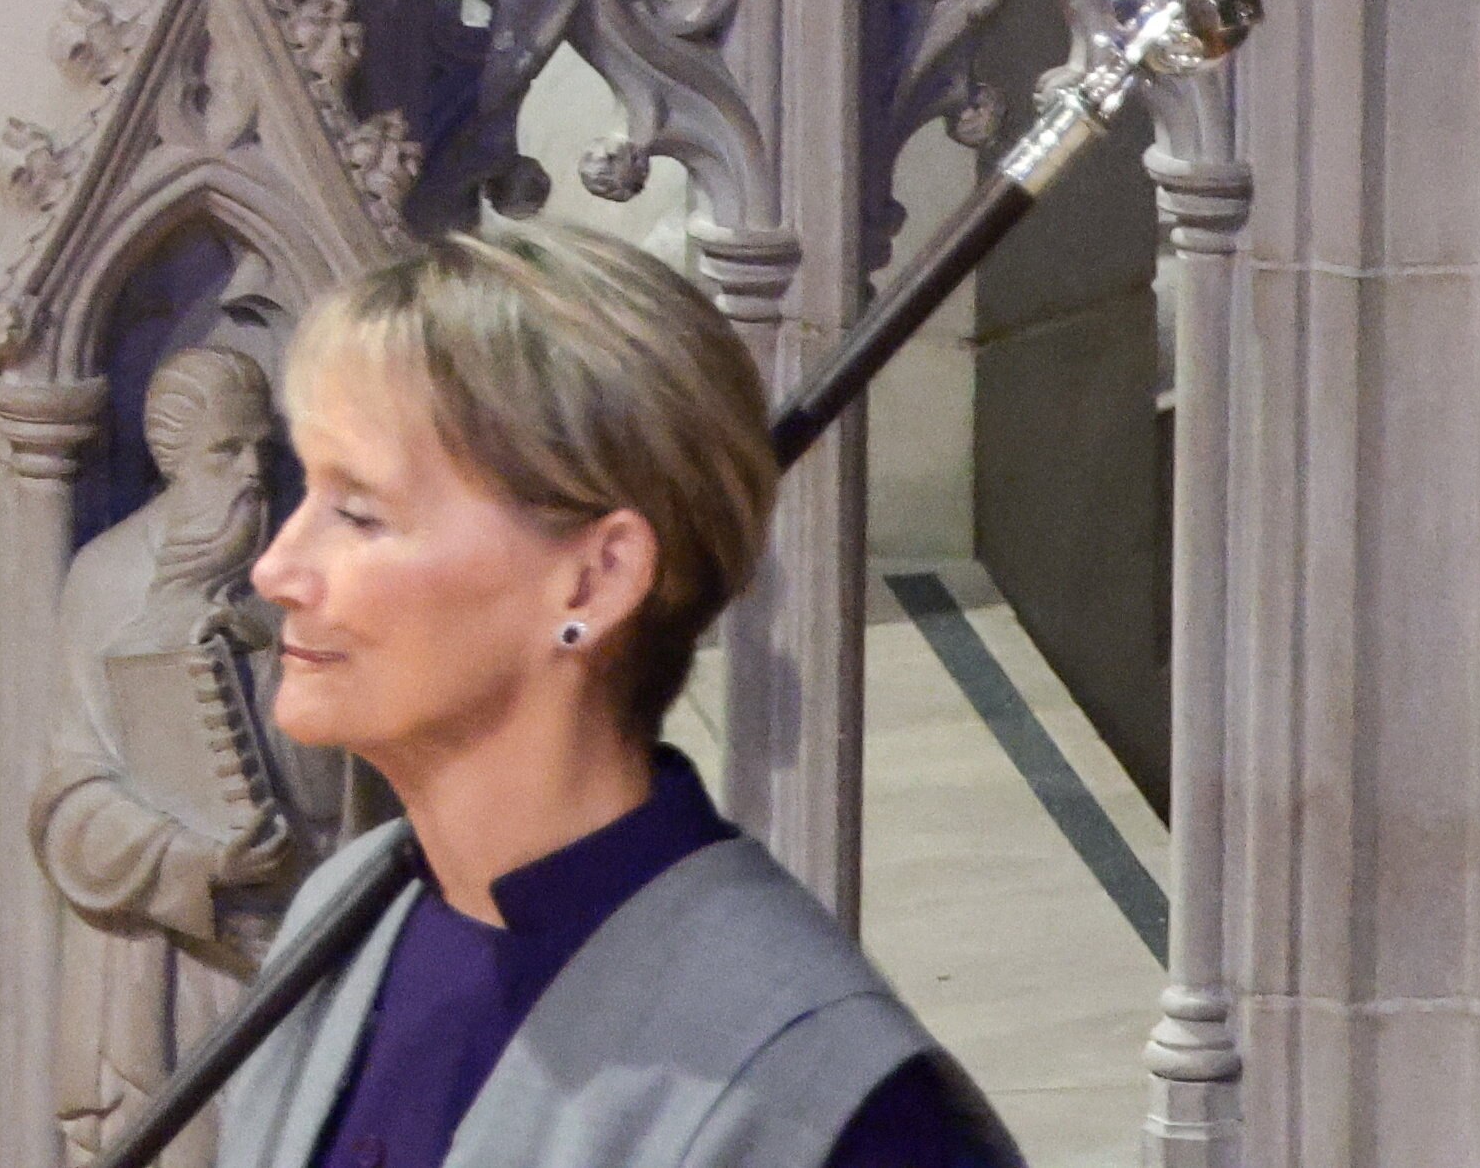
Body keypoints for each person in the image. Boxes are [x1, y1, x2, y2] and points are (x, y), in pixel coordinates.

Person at [217, 221, 1016, 1168]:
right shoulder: (347, 916)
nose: (277, 569)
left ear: (594, 582)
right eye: (303, 493)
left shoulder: (846, 1114)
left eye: (358, 513)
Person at [34, 342, 331, 1164]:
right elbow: (69, 796)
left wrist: (269, 647)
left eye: (261, 451)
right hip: (167, 957)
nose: (250, 475)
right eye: (224, 452)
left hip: (299, 922)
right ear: (171, 459)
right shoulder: (110, 578)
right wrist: (191, 861)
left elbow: (363, 760)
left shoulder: (294, 569)